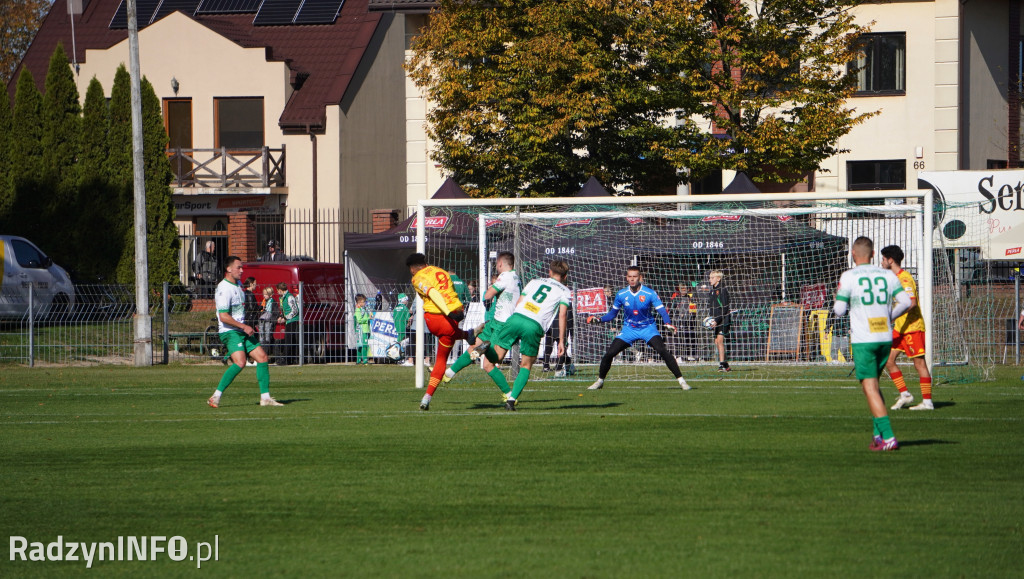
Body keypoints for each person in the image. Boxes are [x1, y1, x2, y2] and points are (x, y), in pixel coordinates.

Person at [833, 236, 912, 451]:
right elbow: (906, 302)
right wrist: (889, 317)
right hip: (884, 337)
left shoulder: (849, 276)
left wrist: (840, 299)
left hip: (864, 339)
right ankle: (878, 435)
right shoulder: (887, 275)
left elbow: (839, 310)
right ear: (874, 253)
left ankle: (888, 437)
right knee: (874, 387)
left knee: (869, 387)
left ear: (852, 254)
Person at [472, 260, 572, 411]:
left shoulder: (534, 281)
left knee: (496, 358)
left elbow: (520, 300)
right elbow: (563, 315)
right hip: (534, 325)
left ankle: (485, 347)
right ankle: (511, 401)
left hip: (516, 317)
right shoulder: (565, 291)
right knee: (526, 365)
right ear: (565, 277)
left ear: (549, 272)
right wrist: (562, 341)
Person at [586, 266, 690, 390]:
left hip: (648, 328)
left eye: (635, 276)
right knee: (610, 353)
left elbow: (662, 311)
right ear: (626, 278)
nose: (632, 279)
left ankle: (682, 381)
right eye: (629, 276)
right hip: (629, 329)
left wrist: (668, 323)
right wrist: (599, 320)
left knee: (662, 350)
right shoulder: (621, 294)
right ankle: (600, 381)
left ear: (640, 277)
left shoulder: (649, 293)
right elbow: (612, 314)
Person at [206, 256, 283, 408]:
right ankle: (215, 396)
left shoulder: (239, 284)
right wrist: (243, 326)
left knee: (262, 357)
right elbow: (223, 316)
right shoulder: (224, 289)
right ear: (228, 269)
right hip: (230, 331)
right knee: (240, 362)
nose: (242, 270)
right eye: (238, 267)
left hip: (242, 330)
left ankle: (265, 398)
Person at [406, 253, 477, 410]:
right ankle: (468, 335)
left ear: (412, 269)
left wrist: (447, 311)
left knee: (441, 356)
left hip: (438, 318)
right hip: (457, 313)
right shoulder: (442, 271)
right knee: (442, 356)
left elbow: (433, 293)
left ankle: (468, 335)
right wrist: (454, 312)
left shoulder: (417, 277)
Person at [443, 252, 521, 393]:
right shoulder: (516, 277)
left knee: (488, 364)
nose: (497, 268)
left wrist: (490, 292)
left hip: (503, 326)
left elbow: (487, 295)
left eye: (497, 265)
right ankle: (449, 373)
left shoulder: (505, 276)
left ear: (500, 264)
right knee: (474, 347)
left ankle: (509, 395)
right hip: (496, 322)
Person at [880, 245, 934, 411]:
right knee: (888, 360)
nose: (881, 262)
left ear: (890, 260)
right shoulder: (895, 278)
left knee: (919, 365)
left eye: (883, 259)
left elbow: (911, 303)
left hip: (912, 328)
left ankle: (927, 402)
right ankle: (905, 394)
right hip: (900, 328)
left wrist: (892, 315)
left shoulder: (904, 279)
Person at [542, 297, 575, 376]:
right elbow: (570, 317)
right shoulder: (567, 302)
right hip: (561, 328)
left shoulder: (551, 300)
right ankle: (559, 367)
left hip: (550, 327)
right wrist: (571, 331)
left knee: (548, 347)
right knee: (561, 348)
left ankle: (546, 365)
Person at [706, 270, 731, 372]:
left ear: (718, 279)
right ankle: (725, 364)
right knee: (716, 342)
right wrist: (710, 319)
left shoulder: (722, 290)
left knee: (720, 341)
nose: (710, 280)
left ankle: (721, 365)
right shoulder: (712, 291)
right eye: (709, 278)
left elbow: (724, 308)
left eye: (712, 278)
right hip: (716, 319)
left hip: (723, 319)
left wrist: (717, 320)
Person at [276, 282, 299, 365]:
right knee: (289, 340)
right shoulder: (282, 298)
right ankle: (290, 359)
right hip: (288, 321)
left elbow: (295, 310)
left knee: (289, 340)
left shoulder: (289, 297)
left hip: (292, 321)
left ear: (280, 290)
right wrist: (281, 316)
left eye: (278, 290)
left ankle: (286, 359)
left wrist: (285, 318)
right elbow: (283, 309)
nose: (277, 292)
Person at [392, 293, 412, 365]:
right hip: (404, 328)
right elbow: (408, 319)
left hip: (398, 327)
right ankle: (402, 358)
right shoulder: (405, 308)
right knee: (404, 344)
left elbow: (394, 317)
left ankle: (398, 358)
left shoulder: (395, 308)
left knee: (399, 343)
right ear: (403, 300)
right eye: (406, 299)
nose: (407, 301)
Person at [258, 286, 277, 357]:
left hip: (269, 321)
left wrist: (273, 319)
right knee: (261, 336)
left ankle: (267, 352)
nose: (264, 296)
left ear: (270, 295)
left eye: (266, 294)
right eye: (264, 294)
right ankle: (262, 351)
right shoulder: (263, 302)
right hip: (262, 320)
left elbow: (275, 312)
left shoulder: (273, 302)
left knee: (267, 336)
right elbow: (260, 310)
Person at [354, 293, 372, 364]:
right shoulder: (358, 310)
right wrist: (367, 319)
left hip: (365, 329)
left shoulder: (364, 309)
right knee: (363, 345)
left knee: (362, 345)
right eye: (363, 301)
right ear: (359, 302)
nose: (365, 303)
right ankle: (364, 360)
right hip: (362, 330)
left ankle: (359, 360)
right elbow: (359, 320)